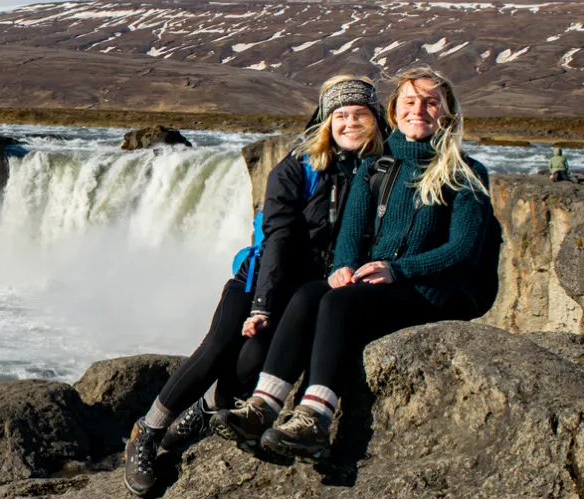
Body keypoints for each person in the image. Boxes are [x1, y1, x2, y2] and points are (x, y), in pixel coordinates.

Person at [121, 76, 388, 496]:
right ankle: (148, 431)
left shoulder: (381, 170)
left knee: (249, 367)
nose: (350, 123)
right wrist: (261, 305)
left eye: (360, 115)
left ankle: (202, 413)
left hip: (310, 292)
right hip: (260, 279)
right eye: (340, 115)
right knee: (218, 347)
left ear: (376, 120)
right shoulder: (299, 167)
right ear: (325, 120)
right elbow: (278, 239)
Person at [211, 66, 493, 461]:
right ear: (394, 112)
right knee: (313, 294)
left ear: (447, 113)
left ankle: (313, 421)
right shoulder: (376, 167)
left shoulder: (465, 173)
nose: (420, 110)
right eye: (411, 101)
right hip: (381, 281)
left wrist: (398, 270)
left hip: (430, 289)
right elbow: (352, 232)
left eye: (432, 102)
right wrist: (342, 266)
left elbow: (462, 250)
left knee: (338, 303)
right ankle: (263, 407)